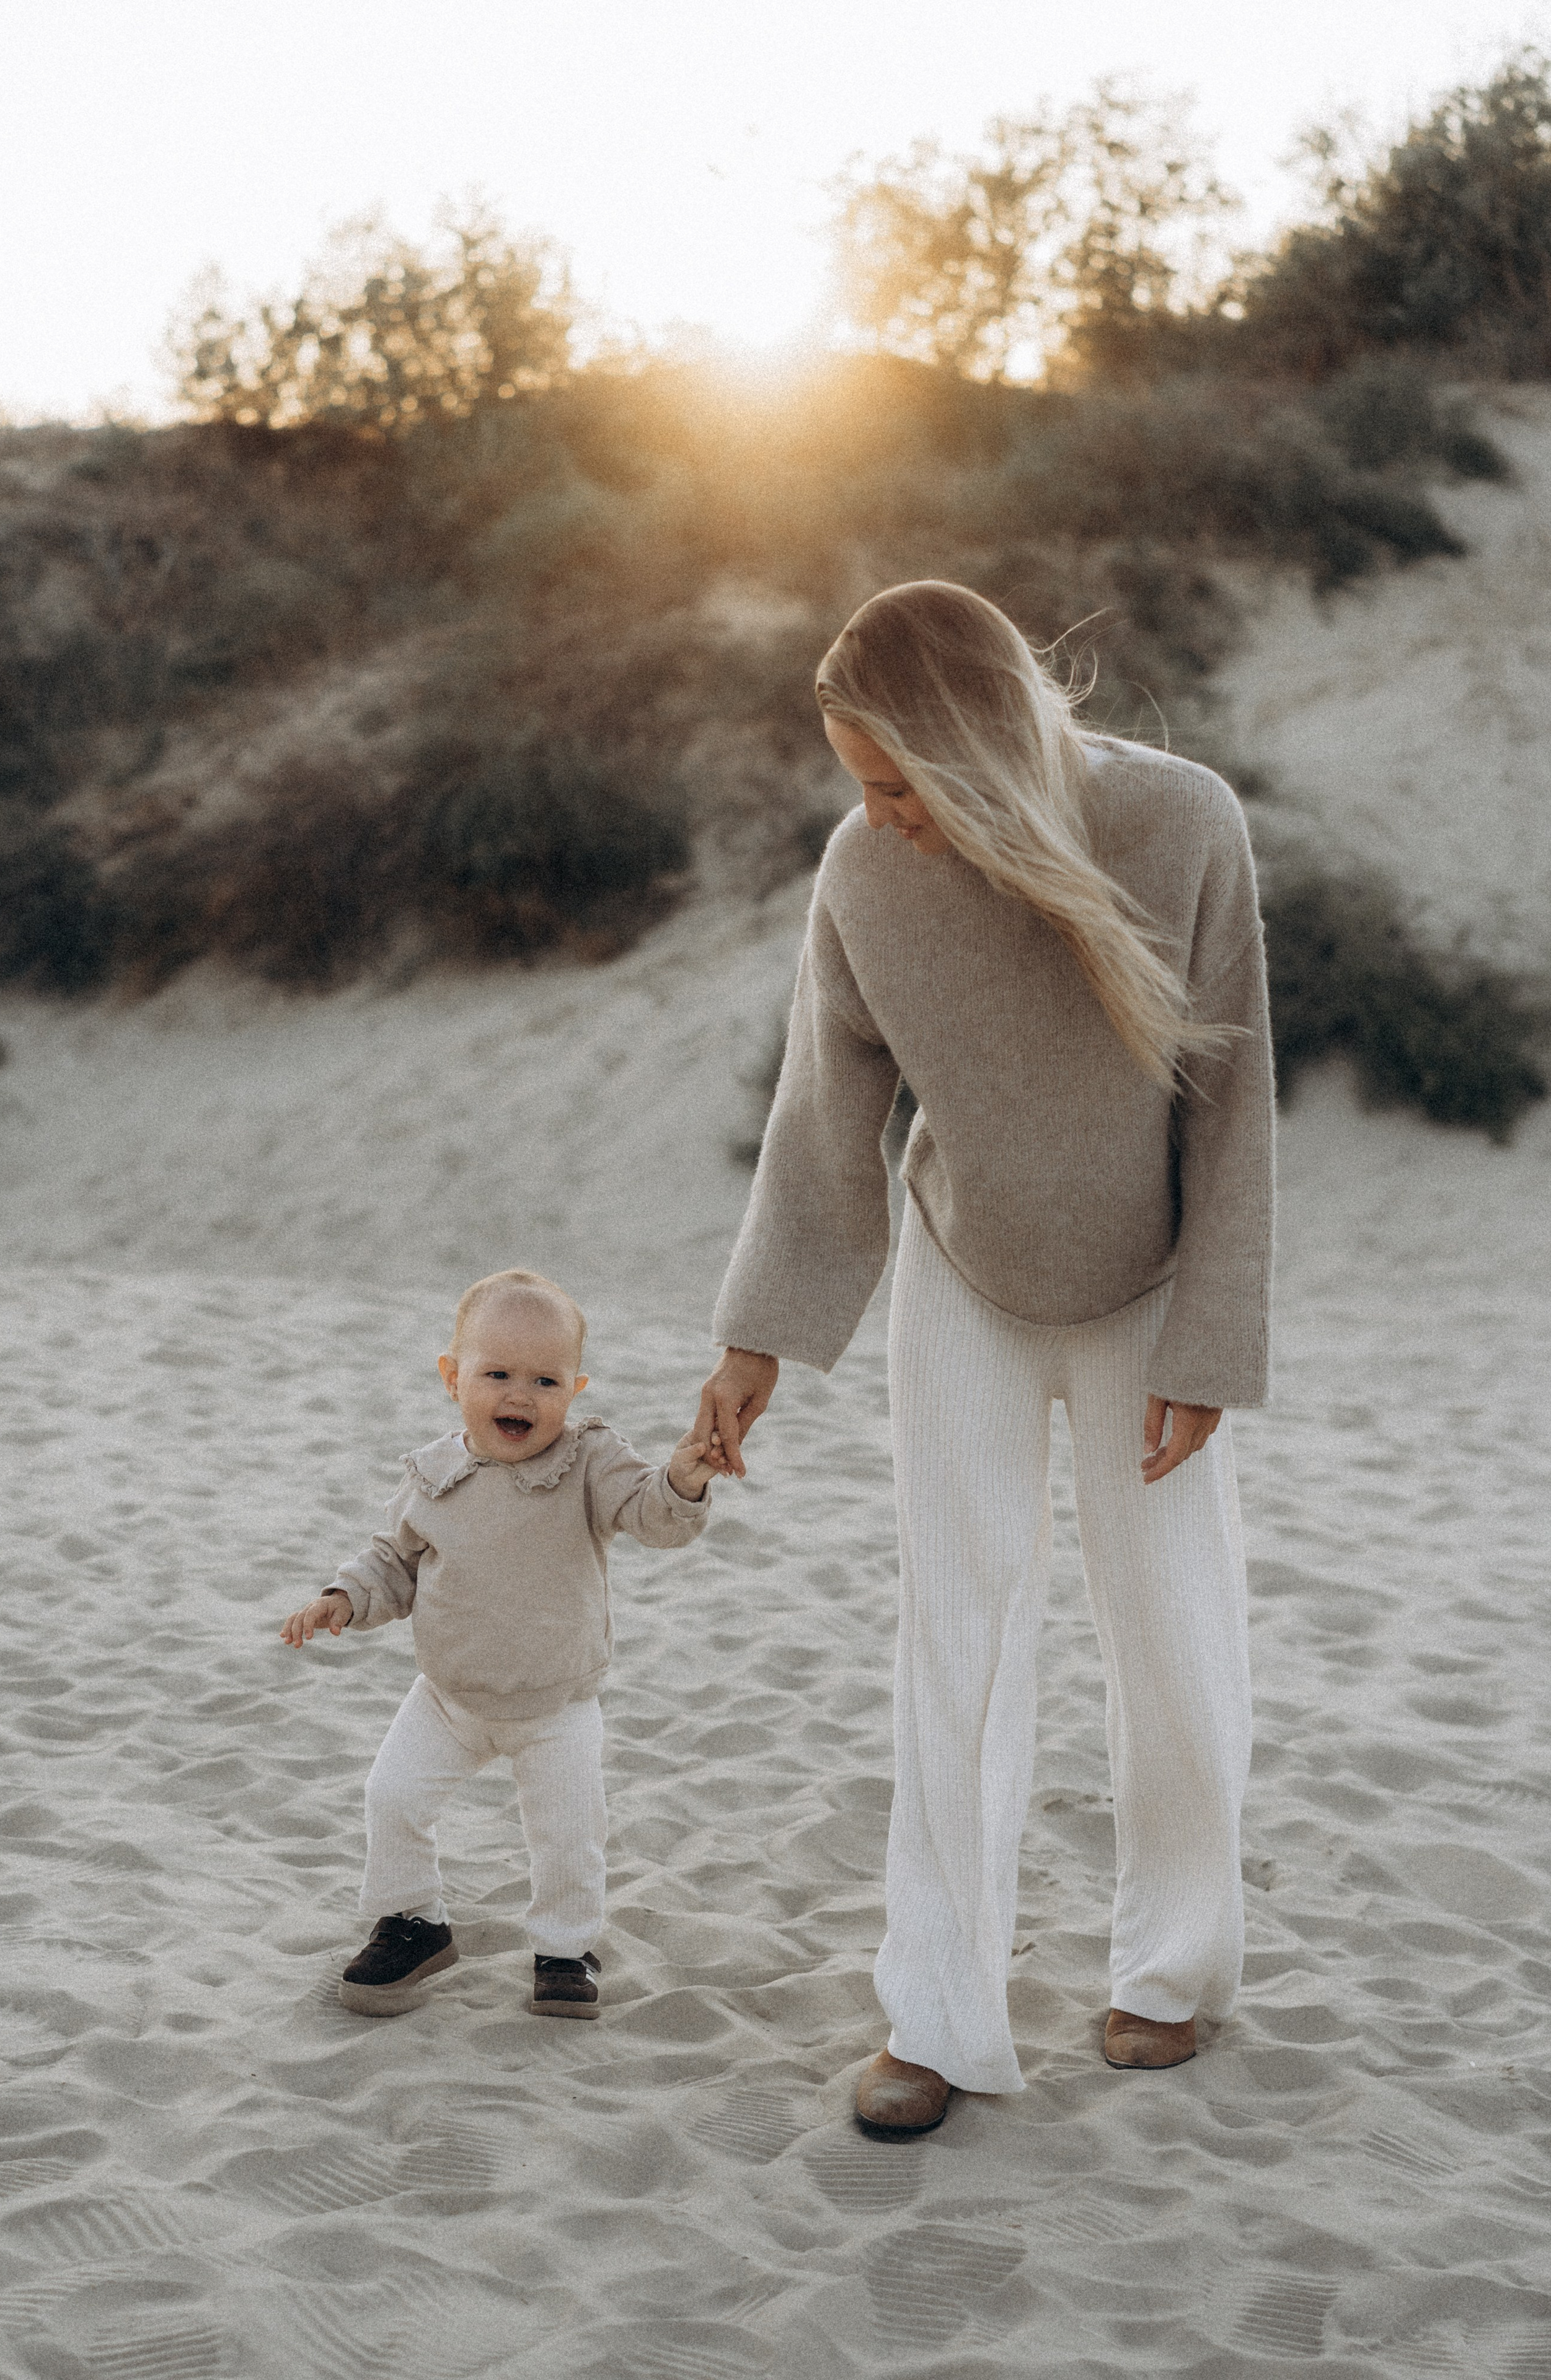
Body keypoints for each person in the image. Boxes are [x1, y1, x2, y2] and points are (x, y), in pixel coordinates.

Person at [695, 581, 1273, 2136]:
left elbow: (1230, 1102)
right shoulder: (862, 877)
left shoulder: (1178, 825)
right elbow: (827, 1114)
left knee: (1170, 1636)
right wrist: (756, 1339)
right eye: (854, 784)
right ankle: (936, 2012)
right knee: (954, 1633)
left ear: (981, 748)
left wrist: (1210, 1335)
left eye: (896, 783)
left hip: (1147, 1287)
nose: (875, 817)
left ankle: (1169, 1968)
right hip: (962, 1272)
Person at [282, 1267, 717, 2019]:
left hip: (557, 1703)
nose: (521, 1395)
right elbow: (395, 1561)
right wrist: (343, 1597)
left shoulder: (588, 1462)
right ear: (454, 1378)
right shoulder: (434, 1474)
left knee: (568, 1834)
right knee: (392, 1796)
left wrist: (680, 1482)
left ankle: (564, 1949)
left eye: (546, 1380)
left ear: (575, 1390)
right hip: (449, 1698)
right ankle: (414, 1921)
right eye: (497, 1374)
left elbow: (653, 1518)